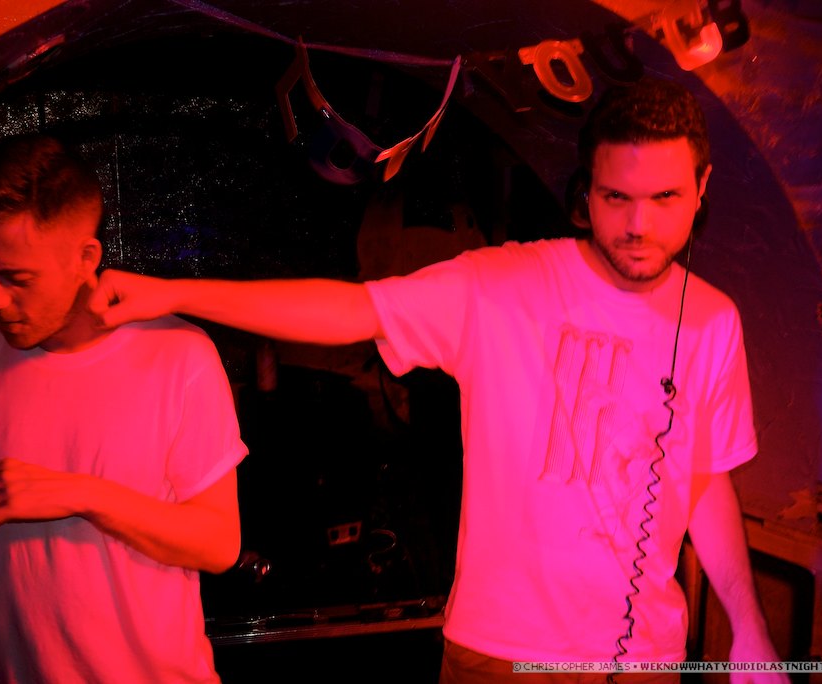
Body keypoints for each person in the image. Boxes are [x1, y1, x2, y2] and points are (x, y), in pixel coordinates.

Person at [88, 78, 786, 683]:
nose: (638, 225)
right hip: (502, 656)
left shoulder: (712, 321)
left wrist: (749, 630)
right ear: (585, 191)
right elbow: (350, 310)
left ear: (702, 187)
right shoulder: (503, 286)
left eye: (664, 197)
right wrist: (173, 293)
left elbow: (704, 480)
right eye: (616, 197)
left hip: (647, 660)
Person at [0, 133, 247, 683]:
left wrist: (82, 494)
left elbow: (219, 545)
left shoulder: (178, 355)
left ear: (85, 259)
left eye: (16, 278)